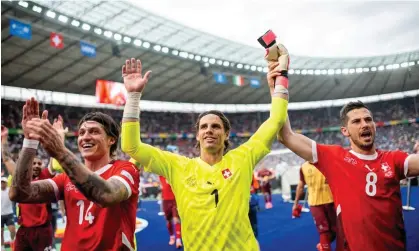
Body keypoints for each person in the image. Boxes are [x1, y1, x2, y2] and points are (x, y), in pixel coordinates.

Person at [120, 53, 289, 250]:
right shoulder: (178, 166)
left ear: (226, 134)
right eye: (204, 127)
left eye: (216, 127)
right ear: (198, 135)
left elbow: (276, 119)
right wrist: (133, 97)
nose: (209, 130)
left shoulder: (243, 158)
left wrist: (281, 77)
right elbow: (131, 146)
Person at [271, 61, 419, 251]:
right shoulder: (334, 158)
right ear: (345, 131)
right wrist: (278, 86)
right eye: (356, 121)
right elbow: (286, 136)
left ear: (374, 125)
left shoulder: (394, 159)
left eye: (368, 120)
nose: (364, 124)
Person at [9, 98, 140, 251]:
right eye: (82, 133)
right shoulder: (66, 178)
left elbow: (107, 195)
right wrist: (30, 142)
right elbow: (19, 193)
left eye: (94, 132)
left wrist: (60, 151)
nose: (85, 137)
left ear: (111, 139)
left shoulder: (126, 169)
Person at [2, 125, 59, 251]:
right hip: (24, 230)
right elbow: (6, 159)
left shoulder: (46, 175)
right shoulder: (21, 177)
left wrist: (55, 136)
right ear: (28, 165)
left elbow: (54, 160)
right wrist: (4, 138)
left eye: (39, 163)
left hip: (42, 231)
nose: (37, 165)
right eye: (33, 163)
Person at [293, 161, 336, 251]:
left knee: (336, 231)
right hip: (315, 204)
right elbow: (301, 185)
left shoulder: (328, 161)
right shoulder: (303, 167)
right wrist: (295, 203)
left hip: (332, 201)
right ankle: (324, 246)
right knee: (323, 231)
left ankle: (323, 245)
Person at [159, 176, 182, 248]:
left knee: (176, 219)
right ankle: (172, 236)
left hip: (174, 200)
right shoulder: (161, 176)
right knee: (168, 221)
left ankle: (178, 240)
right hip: (166, 201)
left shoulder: (173, 174)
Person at [1, 177, 16, 251]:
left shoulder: (9, 190)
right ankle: (2, 247)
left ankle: (12, 240)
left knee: (13, 231)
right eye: (1, 182)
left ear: (6, 183)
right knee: (1, 232)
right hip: (0, 215)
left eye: (4, 182)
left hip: (9, 213)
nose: (2, 183)